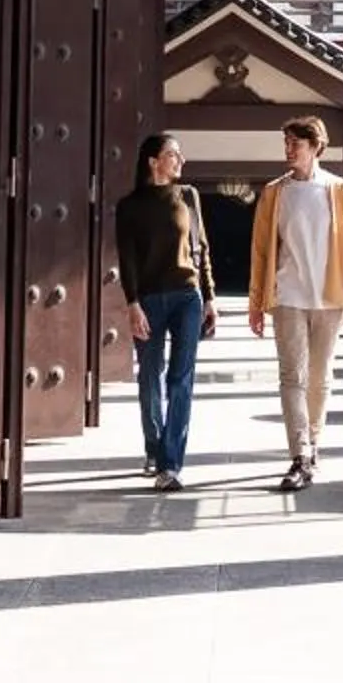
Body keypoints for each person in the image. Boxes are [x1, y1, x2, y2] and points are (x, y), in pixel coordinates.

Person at [246, 116, 343, 493]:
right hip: (288, 296)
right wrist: (256, 302)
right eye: (286, 143)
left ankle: (313, 444)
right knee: (292, 376)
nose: (289, 150)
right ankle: (299, 454)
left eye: (295, 144)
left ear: (316, 147)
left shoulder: (340, 190)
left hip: (329, 297)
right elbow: (262, 250)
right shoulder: (274, 193)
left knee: (320, 377)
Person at [113, 132, 215, 493]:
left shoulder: (188, 196)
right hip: (150, 300)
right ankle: (154, 447)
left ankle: (171, 464)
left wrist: (210, 297)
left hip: (188, 297)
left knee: (181, 379)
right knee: (149, 376)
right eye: (173, 155)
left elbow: (200, 247)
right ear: (153, 161)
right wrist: (132, 304)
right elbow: (127, 260)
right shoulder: (129, 206)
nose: (180, 161)